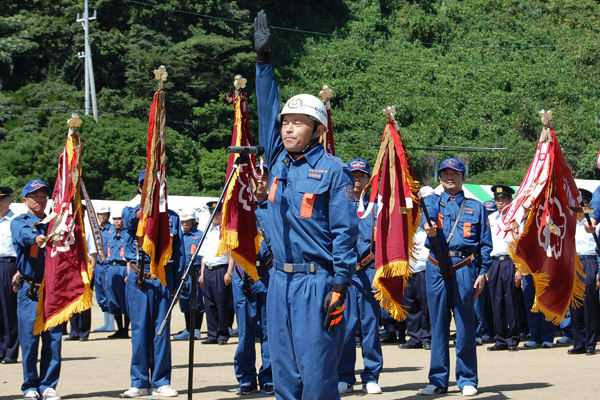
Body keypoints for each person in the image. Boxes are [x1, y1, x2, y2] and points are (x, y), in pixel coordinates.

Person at [255, 10, 359, 399]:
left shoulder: (334, 171)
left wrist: (341, 285)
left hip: (317, 282)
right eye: (286, 122)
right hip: (279, 280)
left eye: (299, 122)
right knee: (284, 377)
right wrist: (263, 62)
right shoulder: (278, 159)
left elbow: (345, 233)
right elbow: (267, 108)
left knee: (316, 378)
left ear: (317, 130)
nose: (288, 127)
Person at [420, 158, 492, 397]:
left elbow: (484, 245)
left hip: (464, 267)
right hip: (436, 267)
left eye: (455, 173)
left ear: (464, 177)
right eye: (445, 173)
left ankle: (468, 378)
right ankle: (438, 380)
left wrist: (483, 273)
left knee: (465, 325)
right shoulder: (431, 201)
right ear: (439, 177)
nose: (449, 177)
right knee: (438, 326)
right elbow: (427, 217)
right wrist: (429, 226)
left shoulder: (477, 207)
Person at [121, 170, 182, 398]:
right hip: (139, 280)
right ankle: (138, 381)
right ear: (140, 189)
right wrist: (147, 211)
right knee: (139, 331)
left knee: (161, 331)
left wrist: (176, 285)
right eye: (147, 187)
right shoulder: (132, 212)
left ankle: (161, 380)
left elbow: (179, 255)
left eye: (158, 187)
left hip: (163, 279)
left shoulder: (173, 218)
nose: (153, 192)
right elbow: (128, 220)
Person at [11, 179, 62, 400]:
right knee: (30, 340)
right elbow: (23, 235)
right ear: (25, 201)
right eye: (35, 196)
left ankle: (49, 385)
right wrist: (37, 237)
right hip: (31, 289)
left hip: (54, 289)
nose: (40, 200)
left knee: (54, 339)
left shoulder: (56, 222)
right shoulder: (19, 221)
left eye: (43, 196)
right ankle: (30, 385)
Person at [337, 158, 383, 395]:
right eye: (353, 175)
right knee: (344, 326)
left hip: (368, 271)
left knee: (370, 325)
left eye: (361, 176)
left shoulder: (375, 206)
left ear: (368, 179)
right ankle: (345, 376)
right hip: (344, 275)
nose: (357, 180)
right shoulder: (338, 203)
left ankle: (371, 376)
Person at [232, 164, 273, 395]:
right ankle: (246, 377)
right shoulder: (240, 209)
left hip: (269, 276)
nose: (260, 182)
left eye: (264, 178)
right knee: (246, 333)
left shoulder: (277, 207)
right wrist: (233, 272)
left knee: (270, 332)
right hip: (244, 277)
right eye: (256, 178)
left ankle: (268, 375)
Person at [486, 184, 522, 352]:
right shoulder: (491, 219)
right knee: (496, 301)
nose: (501, 203)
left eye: (504, 199)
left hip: (510, 261)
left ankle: (513, 339)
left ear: (510, 200)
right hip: (494, 263)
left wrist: (520, 269)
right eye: (498, 200)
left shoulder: (516, 218)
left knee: (511, 301)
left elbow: (520, 244)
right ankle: (500, 338)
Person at [567, 188, 599, 355]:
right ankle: (579, 342)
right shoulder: (572, 225)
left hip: (590, 262)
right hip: (575, 264)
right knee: (576, 305)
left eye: (584, 204)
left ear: (589, 205)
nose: (580, 208)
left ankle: (590, 343)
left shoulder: (596, 225)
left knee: (589, 306)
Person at [199, 201, 234, 345]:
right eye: (212, 213)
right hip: (208, 269)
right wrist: (202, 274)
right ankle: (212, 334)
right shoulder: (206, 231)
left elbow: (232, 253)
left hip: (221, 269)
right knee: (209, 304)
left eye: (218, 213)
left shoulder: (226, 231)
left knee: (222, 303)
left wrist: (229, 272)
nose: (215, 216)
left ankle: (222, 334)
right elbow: (203, 255)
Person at [173, 209, 204, 341]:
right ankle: (188, 329)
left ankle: (196, 329)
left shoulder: (200, 235)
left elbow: (203, 254)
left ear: (193, 221)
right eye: (183, 222)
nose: (185, 224)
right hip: (182, 271)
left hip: (195, 270)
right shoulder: (179, 236)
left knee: (196, 300)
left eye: (187, 222)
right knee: (185, 301)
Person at [104, 210, 131, 339]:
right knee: (112, 298)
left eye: (119, 219)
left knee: (123, 298)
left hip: (123, 268)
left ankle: (126, 329)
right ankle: (119, 328)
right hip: (111, 268)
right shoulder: (109, 235)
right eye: (115, 219)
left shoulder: (128, 235)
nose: (117, 222)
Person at [0, 186, 19, 364]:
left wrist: (19, 272)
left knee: (9, 311)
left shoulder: (15, 221)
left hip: (8, 265)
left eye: (2, 200)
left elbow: (21, 249)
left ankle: (11, 351)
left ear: (9, 201)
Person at [93, 204, 115, 332]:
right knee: (100, 294)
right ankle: (106, 323)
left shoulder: (112, 229)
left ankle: (111, 323)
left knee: (109, 293)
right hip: (99, 265)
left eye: (104, 214)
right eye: (100, 215)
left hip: (108, 265)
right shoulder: (96, 230)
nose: (102, 216)